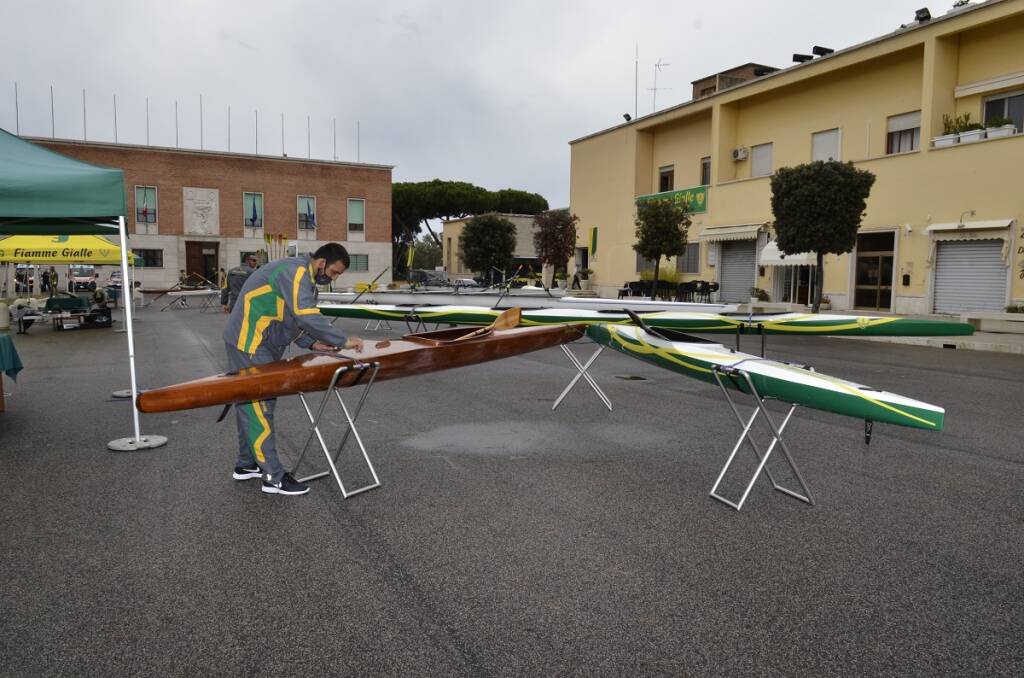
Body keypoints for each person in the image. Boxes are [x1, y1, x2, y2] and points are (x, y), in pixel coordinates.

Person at [223, 243, 364, 496]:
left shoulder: (302, 277)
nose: (333, 278)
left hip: (259, 342)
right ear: (321, 262)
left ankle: (246, 465)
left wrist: (311, 342)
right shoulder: (297, 272)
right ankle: (273, 477)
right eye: (333, 272)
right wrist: (341, 340)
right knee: (260, 406)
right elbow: (305, 314)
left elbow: (288, 317)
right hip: (250, 341)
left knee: (249, 403)